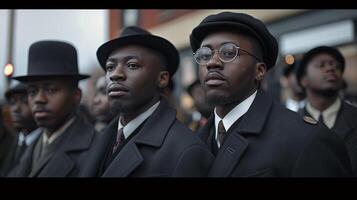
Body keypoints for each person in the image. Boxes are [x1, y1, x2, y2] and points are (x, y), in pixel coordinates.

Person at [189, 12, 352, 177]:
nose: (212, 63)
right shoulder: (192, 142)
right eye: (205, 55)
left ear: (259, 71)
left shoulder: (306, 139)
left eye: (229, 53)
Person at [80, 26, 213, 177]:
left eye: (132, 65)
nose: (115, 75)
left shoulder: (186, 151)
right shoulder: (100, 139)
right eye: (110, 67)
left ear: (162, 79)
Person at [8, 40, 97, 177]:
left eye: (51, 90)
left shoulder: (96, 148)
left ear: (76, 96)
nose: (39, 99)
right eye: (32, 91)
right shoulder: (33, 144)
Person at [296, 46, 357, 175]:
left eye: (336, 66)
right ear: (304, 80)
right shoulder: (291, 124)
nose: (330, 68)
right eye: (320, 65)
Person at [0, 83, 40, 176]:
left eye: (25, 102)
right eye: (12, 102)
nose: (16, 109)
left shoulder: (44, 144)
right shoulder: (12, 140)